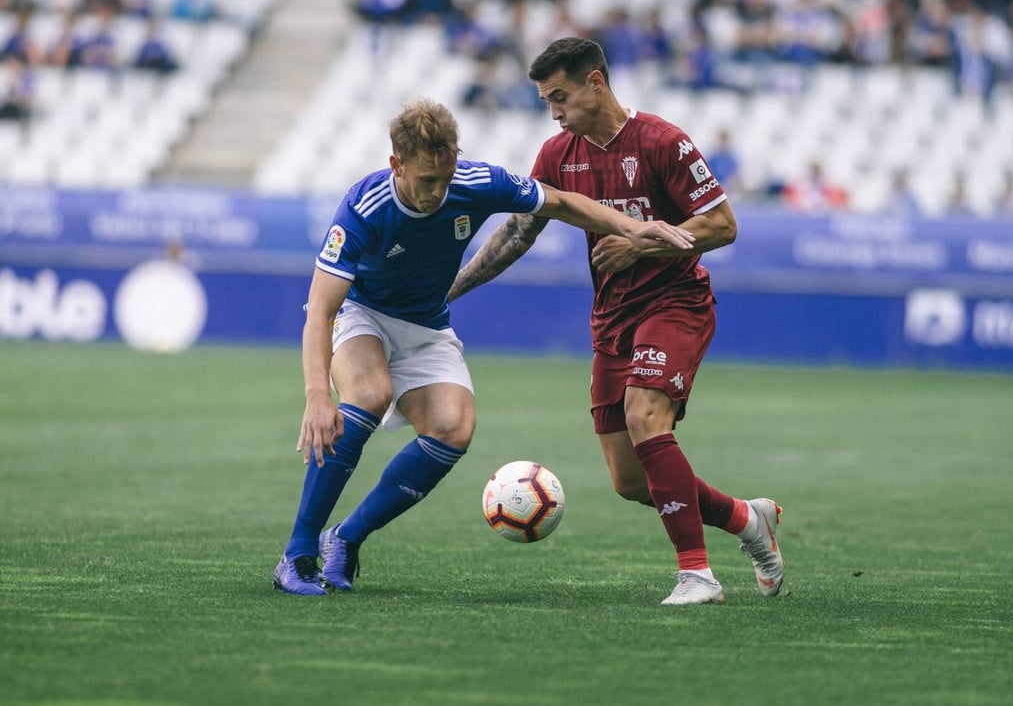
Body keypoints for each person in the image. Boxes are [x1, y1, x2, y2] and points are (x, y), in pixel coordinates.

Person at [274, 98, 695, 596]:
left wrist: (631, 227)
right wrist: (316, 397)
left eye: (446, 177)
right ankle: (297, 556)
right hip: (360, 313)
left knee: (453, 428)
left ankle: (344, 538)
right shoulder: (365, 207)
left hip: (425, 323)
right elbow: (320, 310)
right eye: (426, 180)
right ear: (396, 165)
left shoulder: (474, 182)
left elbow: (559, 201)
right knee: (368, 395)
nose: (438, 191)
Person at [449, 38, 785, 606]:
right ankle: (746, 520)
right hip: (612, 319)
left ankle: (696, 575)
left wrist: (640, 246)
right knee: (631, 481)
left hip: (675, 303)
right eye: (545, 101)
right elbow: (516, 232)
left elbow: (723, 226)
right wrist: (449, 291)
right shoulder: (557, 155)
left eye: (560, 96)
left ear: (595, 83)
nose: (553, 111)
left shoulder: (662, 142)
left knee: (645, 416)